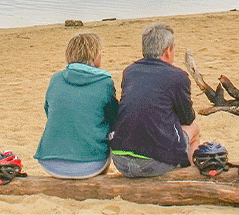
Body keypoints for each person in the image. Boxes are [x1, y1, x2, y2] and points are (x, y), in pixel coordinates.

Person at [109, 23, 202, 177]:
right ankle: (192, 174)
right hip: (152, 164)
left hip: (120, 161)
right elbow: (187, 118)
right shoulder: (178, 76)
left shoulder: (130, 72)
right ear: (167, 51)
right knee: (194, 129)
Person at [35, 32, 118, 179]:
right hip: (92, 164)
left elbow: (48, 110)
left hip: (50, 163)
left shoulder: (56, 78)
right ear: (94, 56)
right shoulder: (105, 81)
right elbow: (112, 117)